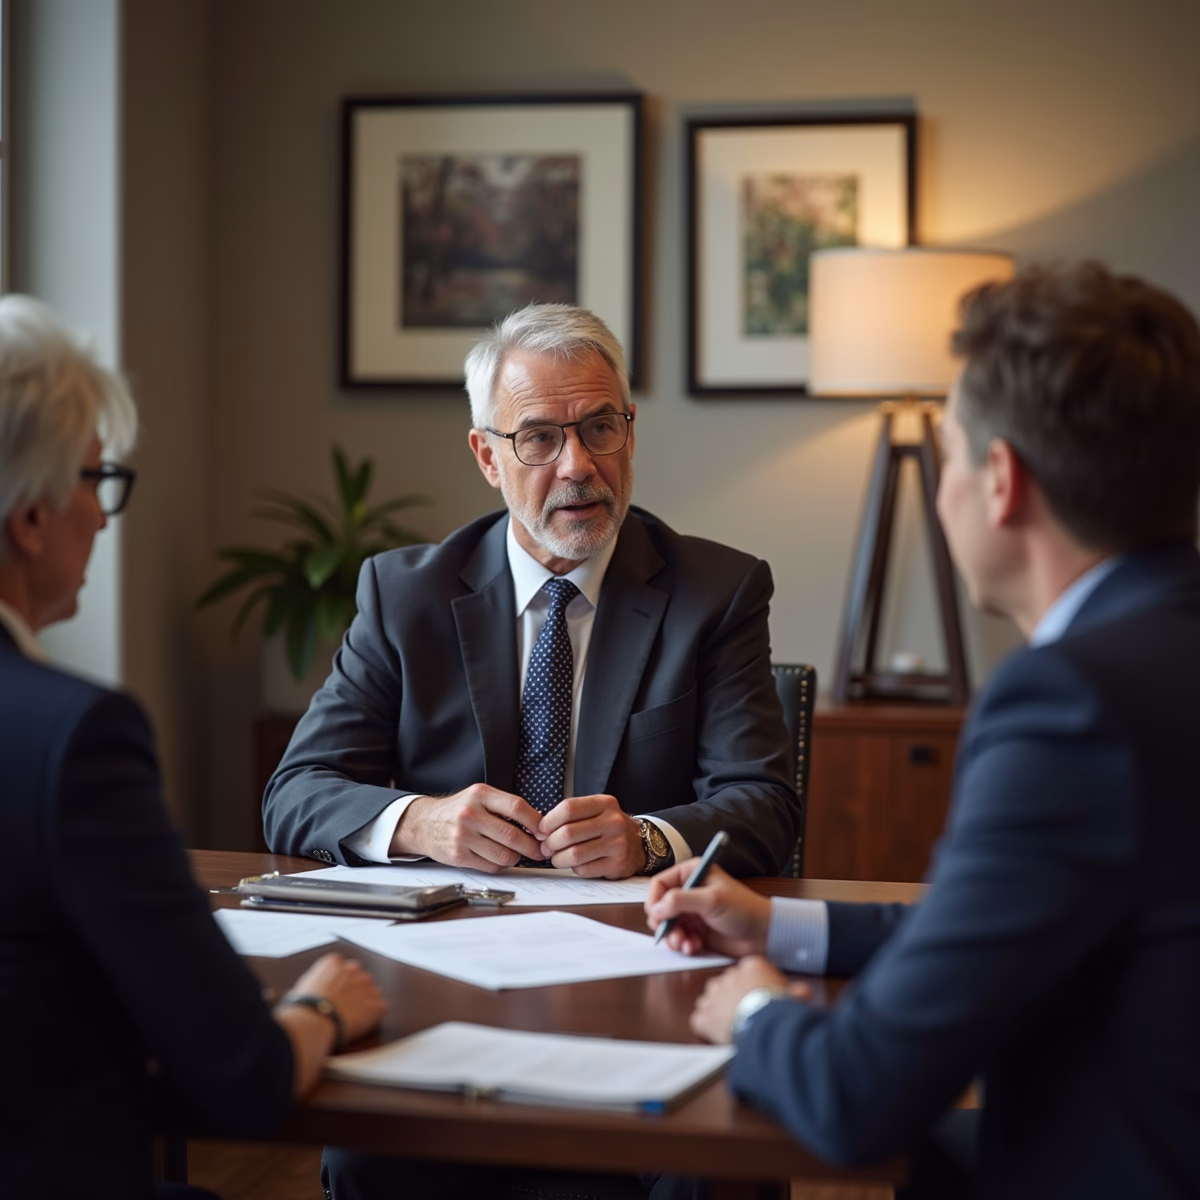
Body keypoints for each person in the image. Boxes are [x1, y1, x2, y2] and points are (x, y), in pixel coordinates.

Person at [646, 261, 1200, 1199]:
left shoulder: (1070, 707)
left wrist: (756, 1015)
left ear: (1000, 484)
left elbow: (858, 1096)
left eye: (948, 454)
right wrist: (777, 924)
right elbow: (993, 926)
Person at [0, 295, 387, 1200]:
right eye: (96, 482)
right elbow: (242, 1079)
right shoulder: (74, 739)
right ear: (29, 519)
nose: (102, 518)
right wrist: (322, 1007)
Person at [263, 303, 798, 880]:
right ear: (488, 457)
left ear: (630, 432)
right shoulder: (405, 596)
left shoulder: (715, 593)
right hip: (453, 935)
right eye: (540, 438)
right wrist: (423, 822)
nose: (578, 465)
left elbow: (765, 808)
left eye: (600, 428)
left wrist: (647, 840)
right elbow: (296, 793)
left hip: (633, 931)